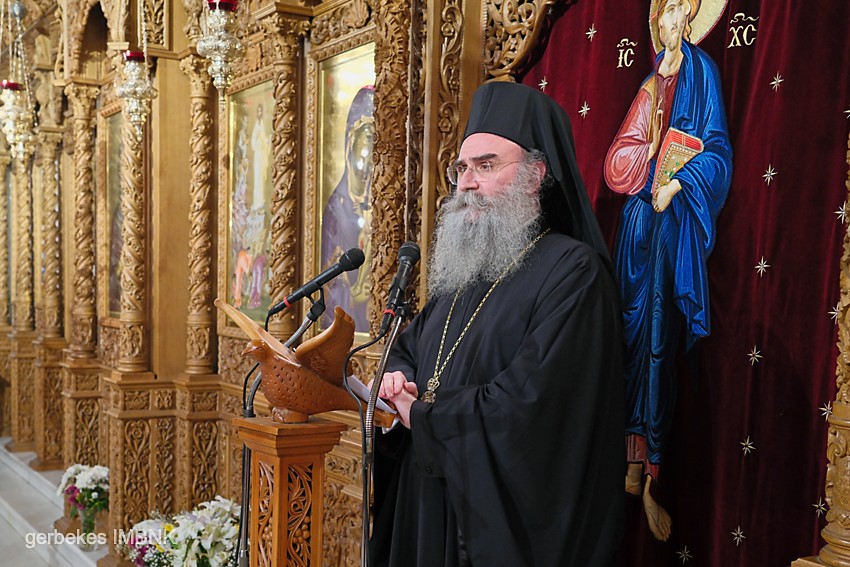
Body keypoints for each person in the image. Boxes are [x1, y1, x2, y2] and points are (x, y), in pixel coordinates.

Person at [370, 81, 624, 567]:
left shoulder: (574, 273)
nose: (467, 183)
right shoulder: (463, 271)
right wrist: (396, 380)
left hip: (491, 527)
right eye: (462, 168)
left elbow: (533, 408)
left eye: (486, 166)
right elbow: (410, 350)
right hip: (423, 506)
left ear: (534, 176)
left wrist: (424, 415)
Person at [603, 0, 732, 541]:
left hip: (671, 225)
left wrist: (678, 183)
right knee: (630, 341)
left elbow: (717, 153)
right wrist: (648, 154)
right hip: (638, 228)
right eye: (663, 10)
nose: (667, 19)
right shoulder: (651, 84)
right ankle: (629, 458)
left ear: (690, 19)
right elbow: (617, 162)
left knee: (659, 342)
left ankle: (654, 471)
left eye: (677, 9)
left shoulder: (702, 75)